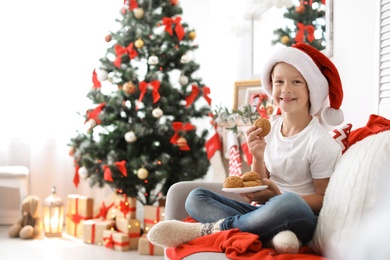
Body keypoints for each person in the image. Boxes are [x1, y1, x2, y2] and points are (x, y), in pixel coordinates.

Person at [147, 42, 344, 254]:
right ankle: (268, 235)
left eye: (296, 82)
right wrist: (257, 157)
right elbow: (260, 182)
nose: (286, 89)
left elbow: (323, 199)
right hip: (265, 211)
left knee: (289, 202)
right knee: (196, 197)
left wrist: (275, 198)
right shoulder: (272, 127)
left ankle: (212, 229)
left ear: (311, 90)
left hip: (299, 217)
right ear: (271, 86)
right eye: (279, 81)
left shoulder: (319, 141)